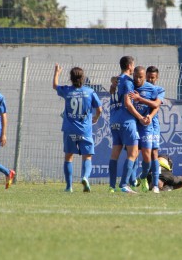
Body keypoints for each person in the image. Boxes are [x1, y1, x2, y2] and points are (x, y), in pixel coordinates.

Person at [53, 63, 102, 192]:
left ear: (71, 78)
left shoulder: (67, 90)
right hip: (85, 130)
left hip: (69, 129)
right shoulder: (90, 92)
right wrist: (96, 117)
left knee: (69, 156)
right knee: (87, 156)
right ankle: (85, 177)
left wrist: (57, 72)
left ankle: (69, 187)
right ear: (83, 78)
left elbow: (55, 86)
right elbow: (100, 109)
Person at [108, 56, 146, 194]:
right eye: (133, 65)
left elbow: (112, 91)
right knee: (133, 153)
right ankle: (124, 185)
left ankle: (112, 187)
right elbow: (128, 103)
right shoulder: (128, 82)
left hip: (114, 120)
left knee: (115, 154)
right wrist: (140, 117)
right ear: (130, 66)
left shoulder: (116, 80)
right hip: (126, 121)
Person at [131, 65, 165, 193]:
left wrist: (149, 116)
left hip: (152, 124)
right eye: (148, 77)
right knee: (135, 151)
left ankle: (154, 184)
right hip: (136, 122)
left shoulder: (159, 90)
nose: (150, 80)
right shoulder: (135, 85)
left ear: (157, 77)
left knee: (154, 152)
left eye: (153, 78)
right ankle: (133, 181)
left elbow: (156, 105)